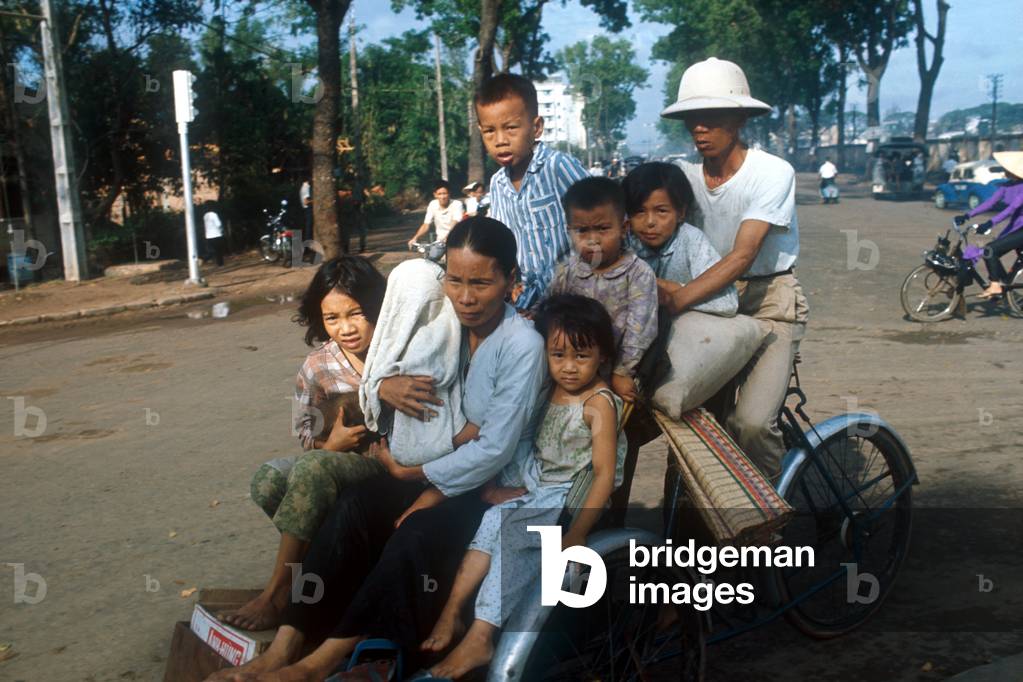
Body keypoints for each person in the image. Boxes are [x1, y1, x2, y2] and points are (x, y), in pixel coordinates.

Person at [206, 217, 547, 681]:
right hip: (420, 470)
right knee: (350, 507)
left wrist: (418, 479)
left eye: (482, 283)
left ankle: (318, 663)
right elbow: (384, 361)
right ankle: (284, 645)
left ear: (510, 281)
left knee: (416, 532)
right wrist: (385, 384)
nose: (466, 297)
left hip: (480, 488)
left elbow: (494, 448)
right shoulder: (437, 317)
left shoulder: (521, 344)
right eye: (456, 280)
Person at [421, 294, 628, 679]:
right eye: (558, 355)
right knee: (491, 522)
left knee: (515, 533)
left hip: (571, 495)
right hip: (538, 484)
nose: (568, 368)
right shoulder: (551, 389)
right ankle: (452, 610)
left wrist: (578, 532)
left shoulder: (598, 403)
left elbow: (602, 474)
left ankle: (482, 636)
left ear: (601, 356)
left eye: (581, 357)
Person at [658, 57, 809, 482]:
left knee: (753, 425)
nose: (699, 129)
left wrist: (676, 298)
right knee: (696, 421)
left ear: (739, 118)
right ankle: (700, 522)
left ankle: (765, 528)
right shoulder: (682, 177)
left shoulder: (772, 172)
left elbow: (743, 255)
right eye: (692, 119)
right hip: (709, 307)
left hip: (768, 303)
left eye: (711, 117)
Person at [220, 256, 388, 631]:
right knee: (268, 478)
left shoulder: (399, 351)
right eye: (332, 318)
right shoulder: (317, 366)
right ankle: (314, 569)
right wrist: (335, 444)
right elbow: (306, 435)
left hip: (391, 466)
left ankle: (280, 592)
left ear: (377, 306)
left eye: (356, 313)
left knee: (312, 471)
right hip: (335, 460)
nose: (346, 328)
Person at [478, 73, 589, 310]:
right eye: (489, 131)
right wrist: (512, 282)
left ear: (536, 127)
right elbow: (502, 243)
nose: (500, 140)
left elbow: (602, 218)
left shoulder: (558, 167)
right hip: (528, 301)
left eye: (510, 128)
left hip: (575, 296)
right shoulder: (497, 185)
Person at [544, 176, 658, 403]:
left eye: (603, 229)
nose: (593, 240)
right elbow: (548, 311)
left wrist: (622, 371)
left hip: (611, 372)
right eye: (582, 231)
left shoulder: (637, 273)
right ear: (570, 231)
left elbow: (641, 329)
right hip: (568, 369)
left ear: (624, 228)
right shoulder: (567, 271)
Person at [623, 161, 738, 317]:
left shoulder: (691, 240)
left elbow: (728, 303)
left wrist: (663, 286)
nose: (650, 222)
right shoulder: (624, 242)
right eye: (639, 212)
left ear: (681, 212)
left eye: (661, 211)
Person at [955, 151, 1023, 300]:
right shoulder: (1006, 186)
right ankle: (1005, 287)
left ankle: (995, 285)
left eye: (1007, 168)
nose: (1004, 170)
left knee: (990, 249)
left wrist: (990, 223)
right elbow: (990, 203)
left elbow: (1011, 209)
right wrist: (968, 215)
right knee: (991, 252)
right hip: (1015, 227)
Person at [408, 180, 463, 247]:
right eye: (439, 194)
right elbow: (426, 225)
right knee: (432, 255)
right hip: (440, 241)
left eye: (445, 193)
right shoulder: (432, 204)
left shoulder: (457, 204)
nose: (442, 197)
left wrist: (447, 237)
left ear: (449, 193)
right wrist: (415, 238)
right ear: (435, 195)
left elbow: (455, 223)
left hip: (457, 240)